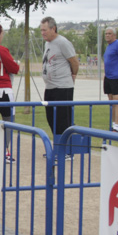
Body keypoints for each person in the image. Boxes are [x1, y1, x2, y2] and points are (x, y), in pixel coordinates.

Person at [40, 16, 79, 152]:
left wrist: (73, 75)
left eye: (45, 30)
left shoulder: (63, 42)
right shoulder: (47, 43)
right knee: (51, 119)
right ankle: (58, 147)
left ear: (53, 28)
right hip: (50, 87)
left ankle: (67, 150)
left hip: (63, 87)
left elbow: (74, 61)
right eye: (41, 30)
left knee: (63, 120)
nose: (43, 33)